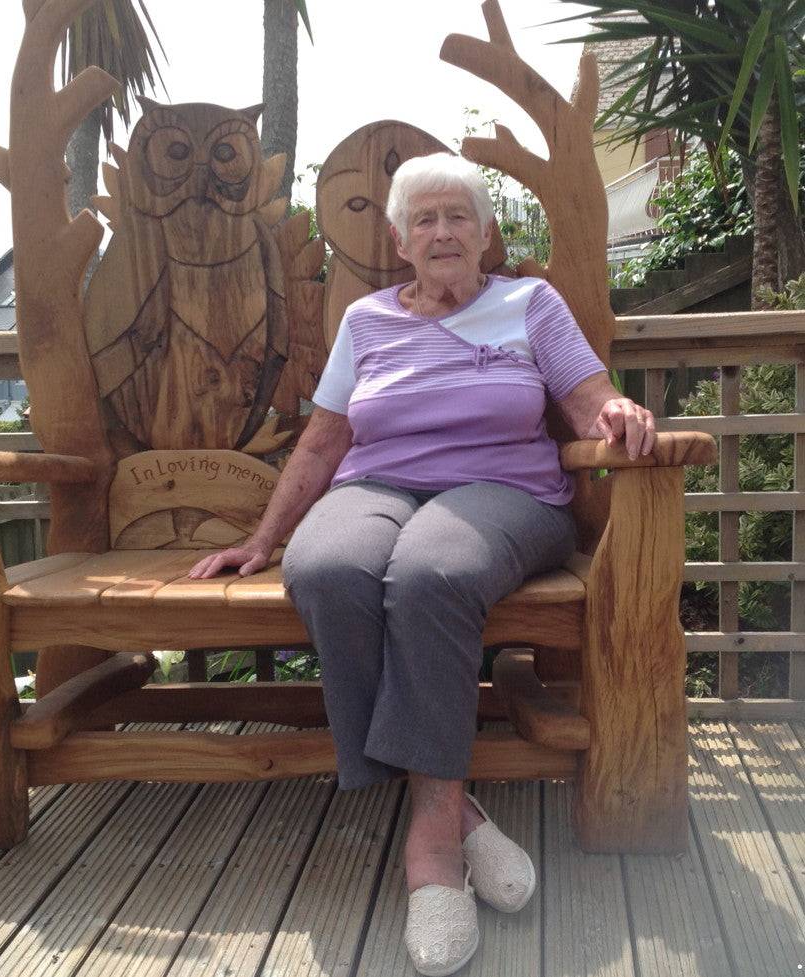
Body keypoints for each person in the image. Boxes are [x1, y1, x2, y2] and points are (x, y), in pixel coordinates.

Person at [189, 152, 655, 976]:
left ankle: (432, 852)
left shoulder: (528, 302)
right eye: (425, 220)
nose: (442, 232)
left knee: (432, 572)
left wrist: (615, 408)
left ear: (487, 234)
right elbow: (327, 438)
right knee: (329, 568)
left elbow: (587, 396)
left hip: (504, 492)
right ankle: (454, 804)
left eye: (458, 217)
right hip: (376, 484)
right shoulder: (366, 321)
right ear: (401, 241)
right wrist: (264, 539)